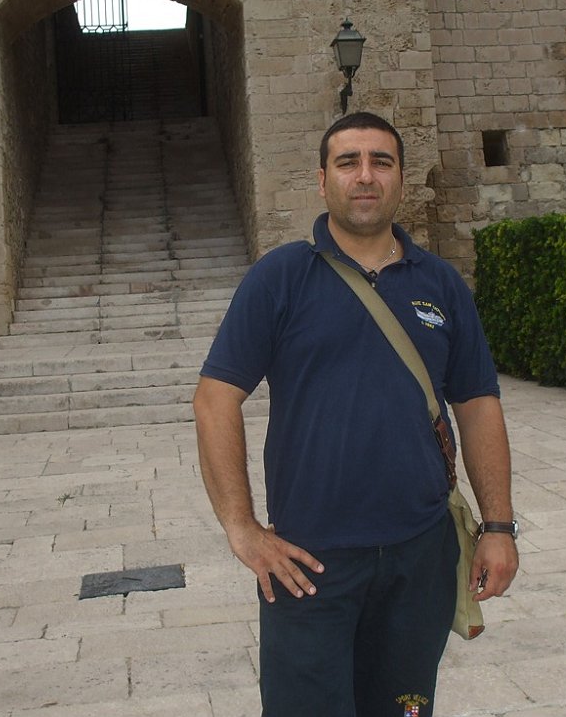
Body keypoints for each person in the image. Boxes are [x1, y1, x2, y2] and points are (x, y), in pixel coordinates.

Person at [193, 112, 518, 716]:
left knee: (406, 710)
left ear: (400, 180)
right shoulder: (280, 278)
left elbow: (477, 405)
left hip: (420, 557)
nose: (365, 175)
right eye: (348, 162)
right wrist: (242, 528)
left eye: (381, 162)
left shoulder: (440, 285)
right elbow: (215, 398)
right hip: (309, 562)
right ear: (323, 181)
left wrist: (499, 527)